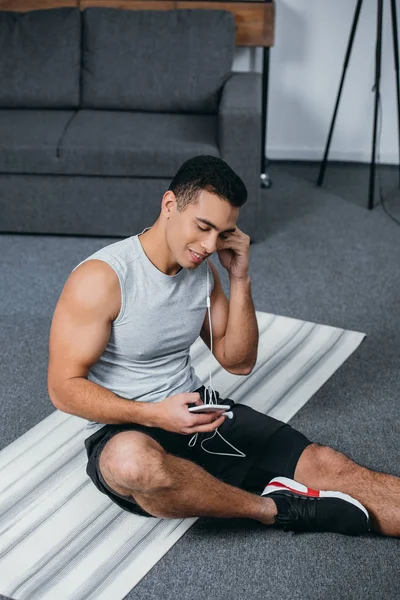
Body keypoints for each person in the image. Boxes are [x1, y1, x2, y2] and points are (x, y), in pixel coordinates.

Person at [48, 155, 398, 537]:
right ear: (169, 205)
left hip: (196, 410)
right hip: (126, 426)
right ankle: (274, 509)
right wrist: (154, 414)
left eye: (222, 233)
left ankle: (257, 489)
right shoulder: (101, 279)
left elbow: (238, 361)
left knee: (328, 464)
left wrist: (240, 277)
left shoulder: (203, 272)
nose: (210, 245)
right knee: (133, 466)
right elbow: (63, 388)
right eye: (202, 227)